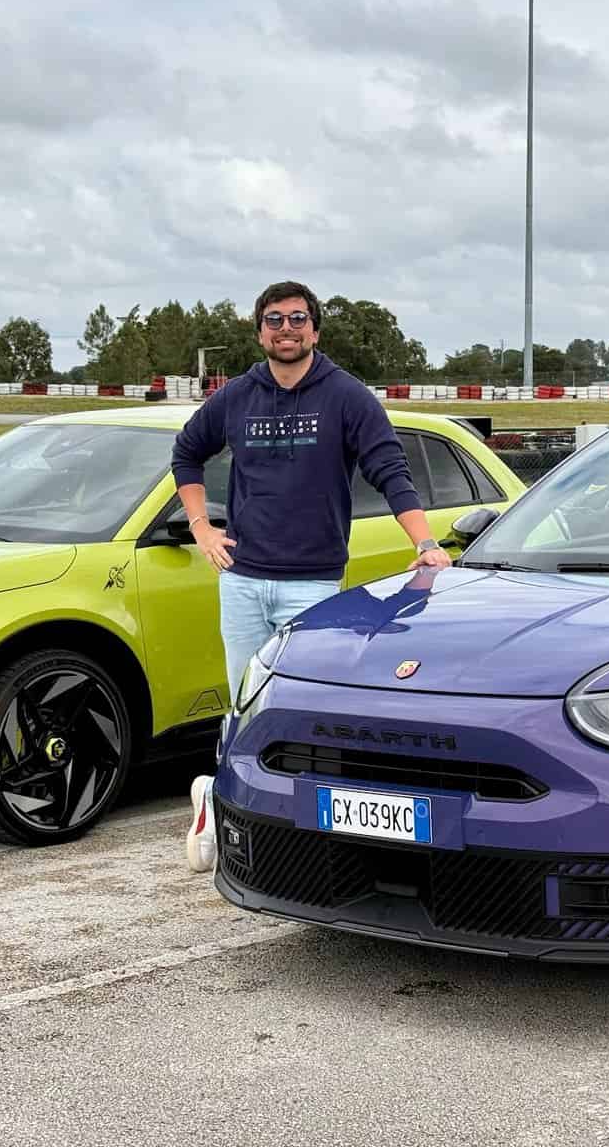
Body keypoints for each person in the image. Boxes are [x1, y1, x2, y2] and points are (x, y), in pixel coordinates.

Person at [172, 280, 452, 871]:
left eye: (297, 319)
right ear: (260, 331)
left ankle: (309, 839)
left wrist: (424, 542)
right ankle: (228, 817)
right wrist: (200, 525)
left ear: (315, 330)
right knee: (246, 706)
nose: (286, 329)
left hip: (314, 586)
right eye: (274, 320)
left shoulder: (347, 397)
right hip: (243, 579)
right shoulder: (239, 396)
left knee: (308, 714)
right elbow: (187, 452)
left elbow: (390, 469)